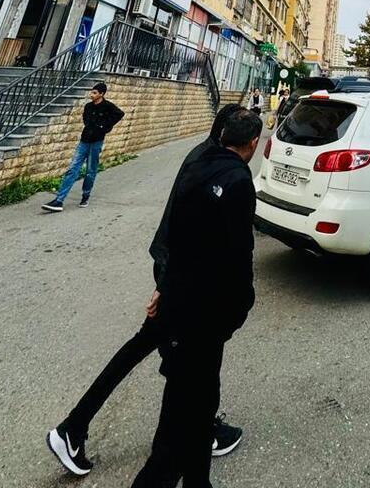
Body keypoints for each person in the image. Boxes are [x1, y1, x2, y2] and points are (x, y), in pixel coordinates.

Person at [46, 104, 249, 476]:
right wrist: (164, 285)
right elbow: (178, 228)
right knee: (192, 363)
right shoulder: (206, 164)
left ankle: (76, 426)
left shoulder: (206, 158)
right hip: (179, 284)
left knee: (174, 358)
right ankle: (77, 427)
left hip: (175, 280)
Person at [131, 109, 261, 487]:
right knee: (183, 413)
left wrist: (163, 286)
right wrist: (240, 308)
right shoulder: (238, 180)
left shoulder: (197, 163)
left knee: (198, 402)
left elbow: (174, 236)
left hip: (179, 302)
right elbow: (239, 255)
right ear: (253, 143)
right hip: (205, 314)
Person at [42, 83, 124, 213]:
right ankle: (59, 200)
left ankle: (85, 196)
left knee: (90, 171)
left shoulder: (108, 106)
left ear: (101, 94)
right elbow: (85, 120)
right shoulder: (88, 106)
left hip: (96, 142)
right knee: (72, 169)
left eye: (95, 93)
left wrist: (104, 127)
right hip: (84, 141)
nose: (91, 95)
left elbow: (119, 114)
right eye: (91, 92)